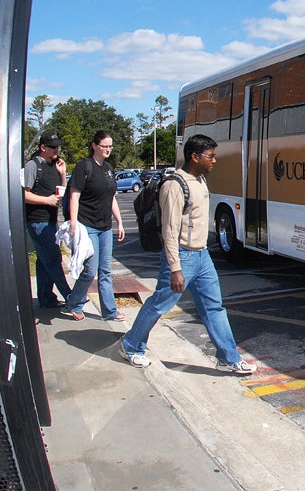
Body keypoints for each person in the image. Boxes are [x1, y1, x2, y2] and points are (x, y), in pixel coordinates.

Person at [120, 134, 257, 375]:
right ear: (195, 156)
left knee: (214, 307)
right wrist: (175, 267)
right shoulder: (175, 185)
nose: (214, 161)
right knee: (159, 305)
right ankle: (131, 346)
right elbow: (170, 230)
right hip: (183, 257)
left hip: (202, 256)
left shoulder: (200, 180)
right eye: (211, 156)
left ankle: (228, 358)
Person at [65, 130, 125, 321]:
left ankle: (110, 311)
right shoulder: (84, 166)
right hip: (87, 226)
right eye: (104, 146)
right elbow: (74, 195)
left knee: (105, 271)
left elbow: (111, 198)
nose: (108, 149)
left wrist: (120, 222)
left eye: (110, 146)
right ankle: (75, 301)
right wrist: (73, 222)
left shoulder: (108, 168)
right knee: (91, 270)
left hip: (105, 227)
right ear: (94, 146)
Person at [23, 130, 72, 308]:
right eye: (53, 147)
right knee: (53, 258)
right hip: (37, 221)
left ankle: (46, 298)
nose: (56, 150)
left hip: (51, 220)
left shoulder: (54, 166)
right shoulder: (33, 165)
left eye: (58, 147)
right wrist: (47, 200)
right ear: (43, 147)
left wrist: (62, 174)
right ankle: (71, 297)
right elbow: (24, 195)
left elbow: (61, 192)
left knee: (44, 261)